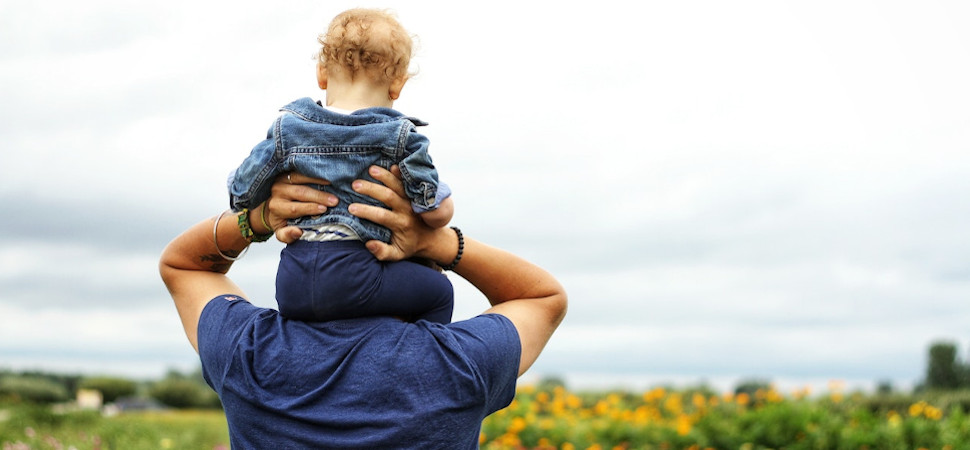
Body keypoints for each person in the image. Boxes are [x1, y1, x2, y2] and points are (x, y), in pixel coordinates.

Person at [159, 166, 568, 448]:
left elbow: (184, 265)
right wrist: (436, 241)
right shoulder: (460, 363)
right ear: (419, 273)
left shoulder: (249, 352)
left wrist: (260, 217)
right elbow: (541, 297)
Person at [227, 8, 455, 323]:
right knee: (439, 291)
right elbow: (434, 212)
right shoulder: (401, 137)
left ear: (321, 74)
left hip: (293, 281)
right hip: (358, 275)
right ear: (397, 86)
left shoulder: (288, 129)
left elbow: (242, 193)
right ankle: (423, 360)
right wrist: (439, 201)